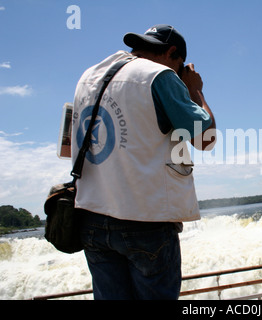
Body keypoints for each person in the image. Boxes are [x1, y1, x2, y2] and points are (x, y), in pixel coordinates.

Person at [71, 24, 216, 299]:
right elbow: (205, 139)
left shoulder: (89, 77)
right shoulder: (160, 75)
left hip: (91, 219)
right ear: (173, 53)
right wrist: (195, 90)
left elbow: (72, 146)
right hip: (145, 220)